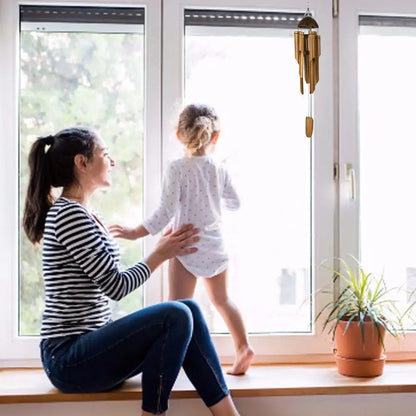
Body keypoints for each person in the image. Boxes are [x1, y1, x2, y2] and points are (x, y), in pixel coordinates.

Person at [23, 126, 242, 416]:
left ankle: (229, 415)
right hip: (68, 359)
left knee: (188, 308)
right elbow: (116, 286)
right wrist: (160, 254)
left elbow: (109, 281)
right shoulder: (68, 215)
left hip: (88, 350)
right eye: (105, 154)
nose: (112, 162)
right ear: (82, 162)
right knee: (175, 314)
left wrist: (162, 249)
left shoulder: (84, 214)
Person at [109, 104, 254, 375]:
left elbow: (164, 213)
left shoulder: (176, 169)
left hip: (185, 246)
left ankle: (175, 363)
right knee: (222, 300)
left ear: (179, 135)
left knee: (177, 310)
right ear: (215, 137)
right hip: (215, 245)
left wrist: (134, 232)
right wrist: (212, 198)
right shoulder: (219, 169)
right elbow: (235, 203)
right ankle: (243, 347)